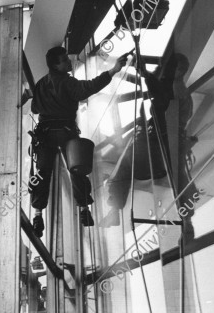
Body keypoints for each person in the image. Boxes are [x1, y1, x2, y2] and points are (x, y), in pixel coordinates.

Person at [29, 46, 128, 237]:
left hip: (45, 134)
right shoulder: (67, 82)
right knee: (77, 170)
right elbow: (87, 88)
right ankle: (84, 210)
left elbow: (34, 108)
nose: (69, 62)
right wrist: (113, 71)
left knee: (42, 175)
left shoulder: (41, 84)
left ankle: (38, 214)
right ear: (56, 65)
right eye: (65, 60)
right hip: (66, 133)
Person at [104, 53, 199, 239]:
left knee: (177, 176)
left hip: (166, 138)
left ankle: (186, 220)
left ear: (179, 71)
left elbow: (161, 95)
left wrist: (146, 75)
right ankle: (115, 208)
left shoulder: (178, 89)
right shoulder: (174, 88)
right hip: (156, 138)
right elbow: (159, 94)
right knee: (127, 165)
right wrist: (146, 74)